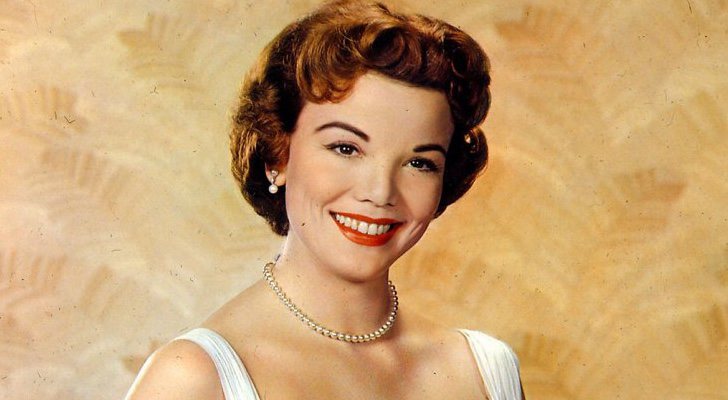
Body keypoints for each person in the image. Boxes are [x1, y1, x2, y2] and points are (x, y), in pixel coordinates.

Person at [125, 0, 524, 399]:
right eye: (346, 148)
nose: (380, 192)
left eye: (419, 163)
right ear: (277, 154)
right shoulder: (193, 378)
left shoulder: (486, 369)